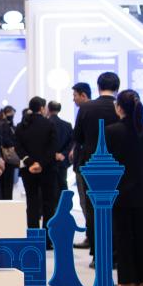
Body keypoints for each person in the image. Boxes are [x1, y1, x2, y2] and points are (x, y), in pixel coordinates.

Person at [105, 90, 143, 286]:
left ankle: (126, 280)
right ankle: (141, 280)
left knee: (123, 234)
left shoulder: (111, 131)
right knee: (141, 234)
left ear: (119, 108)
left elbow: (107, 160)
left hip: (120, 188)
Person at [73, 72, 120, 260]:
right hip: (117, 165)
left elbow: (77, 137)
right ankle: (116, 253)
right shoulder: (119, 107)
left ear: (98, 86)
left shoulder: (86, 108)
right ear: (117, 87)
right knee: (115, 209)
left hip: (91, 165)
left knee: (93, 210)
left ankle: (98, 254)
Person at [14, 97, 59, 231]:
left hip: (28, 169)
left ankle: (33, 234)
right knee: (48, 203)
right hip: (47, 169)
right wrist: (41, 164)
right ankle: (47, 236)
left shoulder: (21, 125)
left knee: (32, 201)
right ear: (42, 108)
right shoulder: (49, 124)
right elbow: (53, 148)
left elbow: (18, 147)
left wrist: (30, 162)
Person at [70, 81, 93, 247]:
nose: (73, 99)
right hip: (92, 164)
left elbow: (78, 136)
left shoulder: (85, 110)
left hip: (84, 164)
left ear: (83, 95)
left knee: (86, 201)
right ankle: (92, 236)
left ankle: (91, 236)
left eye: (75, 96)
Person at [48, 100, 74, 191]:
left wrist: (53, 154)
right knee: (63, 185)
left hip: (48, 162)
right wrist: (63, 154)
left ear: (48, 109)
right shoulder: (67, 125)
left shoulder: (45, 124)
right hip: (62, 160)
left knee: (49, 188)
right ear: (59, 110)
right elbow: (72, 142)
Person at [0, 106, 18, 200]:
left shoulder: (11, 125)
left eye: (12, 113)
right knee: (5, 183)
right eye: (9, 112)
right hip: (5, 157)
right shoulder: (3, 125)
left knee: (8, 183)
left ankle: (7, 200)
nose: (11, 115)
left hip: (8, 158)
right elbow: (4, 140)